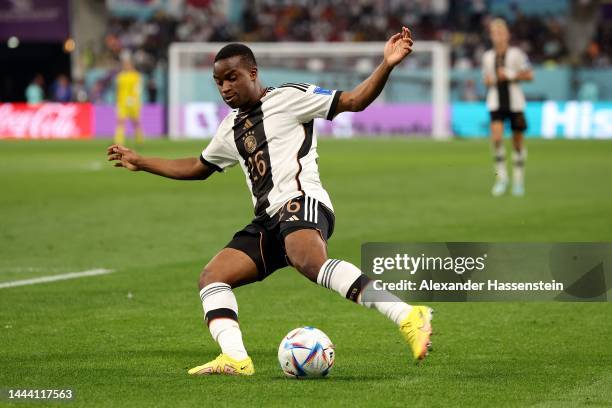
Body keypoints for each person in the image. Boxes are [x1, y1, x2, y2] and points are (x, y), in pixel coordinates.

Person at [107, 27, 432, 376]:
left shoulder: (290, 97)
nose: (226, 88)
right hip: (268, 222)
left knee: (308, 260)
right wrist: (142, 162)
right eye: (219, 83)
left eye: (232, 78)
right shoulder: (230, 128)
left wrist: (386, 65)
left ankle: (408, 315)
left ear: (252, 73)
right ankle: (235, 357)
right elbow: (198, 167)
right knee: (213, 276)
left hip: (301, 200)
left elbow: (354, 100)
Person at [482, 18, 533, 196]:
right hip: (495, 101)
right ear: (491, 36)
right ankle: (502, 178)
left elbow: (529, 75)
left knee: (517, 142)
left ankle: (518, 180)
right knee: (496, 137)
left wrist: (511, 74)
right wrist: (490, 80)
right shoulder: (487, 57)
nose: (498, 37)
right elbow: (486, 79)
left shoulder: (517, 54)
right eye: (495, 34)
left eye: (501, 33)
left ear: (507, 35)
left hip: (516, 103)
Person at [114, 58, 144, 145]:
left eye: (128, 64)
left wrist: (133, 98)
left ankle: (139, 139)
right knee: (120, 121)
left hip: (133, 103)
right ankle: (118, 140)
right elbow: (118, 90)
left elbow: (138, 89)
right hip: (122, 103)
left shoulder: (136, 76)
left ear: (132, 65)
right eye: (125, 65)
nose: (126, 66)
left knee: (135, 121)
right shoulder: (121, 76)